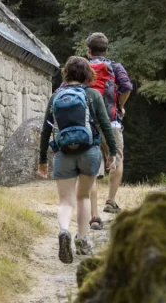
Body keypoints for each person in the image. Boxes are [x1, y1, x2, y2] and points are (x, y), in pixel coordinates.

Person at [37, 56, 118, 264]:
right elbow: (105, 125)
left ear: (66, 74)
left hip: (63, 153)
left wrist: (42, 160)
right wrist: (113, 152)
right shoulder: (92, 95)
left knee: (66, 201)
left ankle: (64, 230)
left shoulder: (56, 97)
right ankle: (81, 240)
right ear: (87, 74)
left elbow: (46, 130)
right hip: (89, 151)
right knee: (83, 197)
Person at [86, 32, 133, 216]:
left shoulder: (83, 67)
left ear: (88, 50)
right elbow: (127, 87)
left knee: (90, 164)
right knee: (116, 160)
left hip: (89, 122)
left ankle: (92, 210)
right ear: (106, 50)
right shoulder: (115, 66)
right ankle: (110, 201)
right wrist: (120, 105)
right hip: (112, 120)